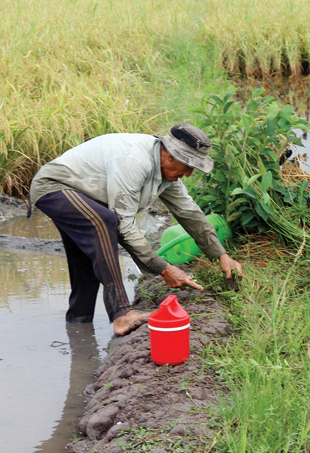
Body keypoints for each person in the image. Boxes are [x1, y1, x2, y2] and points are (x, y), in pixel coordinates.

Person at [29, 123, 243, 336]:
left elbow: (190, 214)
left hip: (85, 196)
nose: (188, 174)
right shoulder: (134, 161)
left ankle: (79, 328)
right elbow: (124, 224)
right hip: (55, 186)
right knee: (104, 223)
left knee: (88, 260)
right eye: (187, 167)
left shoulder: (166, 174)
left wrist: (221, 255)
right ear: (169, 156)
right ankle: (122, 314)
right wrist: (164, 268)